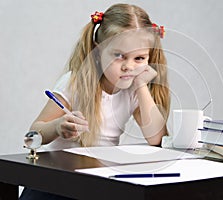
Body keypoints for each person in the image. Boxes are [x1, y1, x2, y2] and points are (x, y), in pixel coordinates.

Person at [20, 3, 170, 200]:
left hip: (97, 181)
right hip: (55, 184)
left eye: (139, 58)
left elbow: (158, 139)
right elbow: (33, 135)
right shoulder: (75, 83)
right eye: (119, 56)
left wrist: (142, 86)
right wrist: (57, 127)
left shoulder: (134, 90)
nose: (129, 67)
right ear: (98, 51)